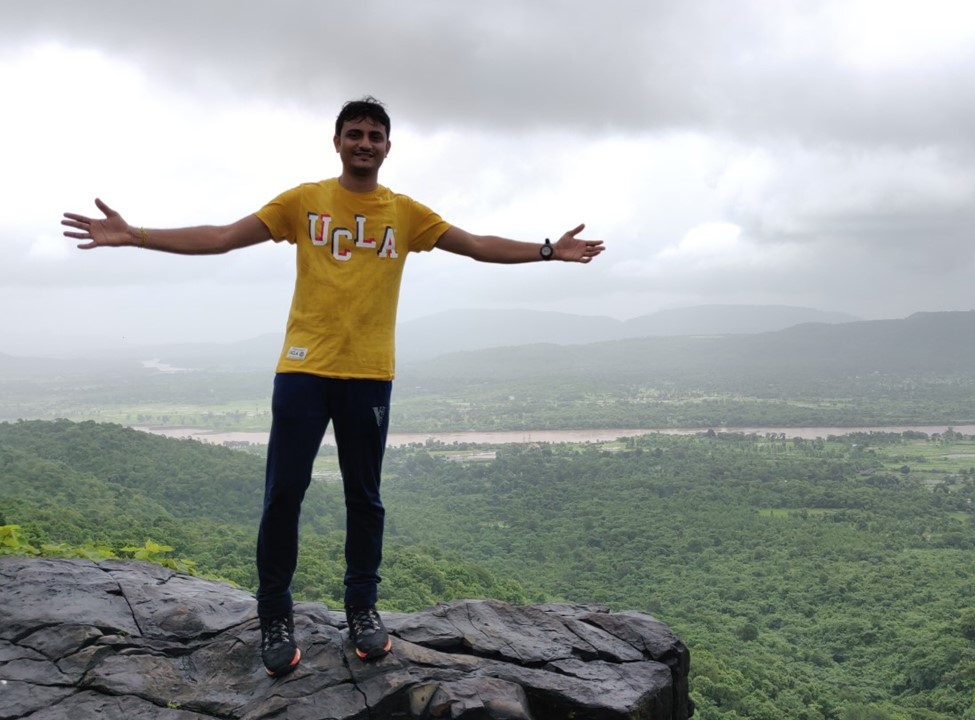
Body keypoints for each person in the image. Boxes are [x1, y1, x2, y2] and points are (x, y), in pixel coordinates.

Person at [61, 96, 605, 678]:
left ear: (388, 147)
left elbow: (476, 245)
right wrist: (136, 235)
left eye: (374, 135)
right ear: (338, 142)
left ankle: (363, 610)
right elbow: (221, 237)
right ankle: (274, 615)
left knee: (364, 499)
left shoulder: (407, 213)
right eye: (355, 133)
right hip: (302, 369)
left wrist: (548, 250)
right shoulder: (304, 201)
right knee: (283, 495)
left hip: (369, 374)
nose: (364, 143)